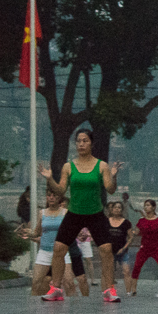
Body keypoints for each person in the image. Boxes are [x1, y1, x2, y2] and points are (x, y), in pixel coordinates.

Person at [37, 129, 122, 303]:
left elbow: (110, 189)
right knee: (59, 248)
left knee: (106, 250)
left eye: (85, 141)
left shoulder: (102, 166)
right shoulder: (69, 166)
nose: (81, 144)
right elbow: (60, 190)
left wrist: (114, 177)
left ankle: (109, 290)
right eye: (78, 141)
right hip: (74, 213)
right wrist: (49, 178)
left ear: (91, 143)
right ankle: (56, 289)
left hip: (95, 213)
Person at [21, 189, 71, 296]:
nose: (51, 198)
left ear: (59, 198)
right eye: (49, 195)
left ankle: (75, 306)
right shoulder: (42, 213)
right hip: (45, 251)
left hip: (61, 252)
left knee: (69, 282)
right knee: (36, 283)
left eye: (54, 196)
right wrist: (28, 233)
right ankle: (33, 308)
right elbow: (36, 233)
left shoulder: (65, 213)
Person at [129, 199, 158, 297]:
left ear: (153, 207)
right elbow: (135, 232)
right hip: (144, 248)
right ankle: (133, 290)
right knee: (136, 267)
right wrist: (128, 231)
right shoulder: (141, 221)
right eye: (145, 205)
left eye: (148, 205)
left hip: (156, 248)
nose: (146, 207)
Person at [106, 202, 134, 295]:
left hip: (122, 251)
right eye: (115, 207)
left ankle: (128, 292)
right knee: (110, 273)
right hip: (110, 251)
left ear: (122, 210)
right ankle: (111, 291)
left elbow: (131, 237)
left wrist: (124, 248)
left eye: (119, 208)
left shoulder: (126, 223)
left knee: (126, 271)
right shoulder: (106, 221)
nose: (117, 209)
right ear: (112, 209)